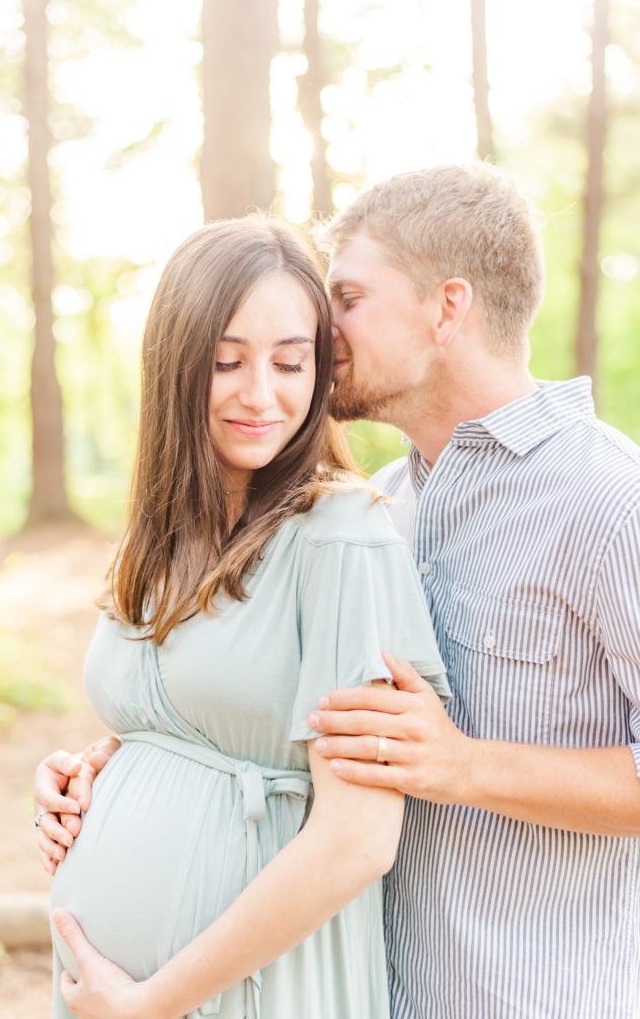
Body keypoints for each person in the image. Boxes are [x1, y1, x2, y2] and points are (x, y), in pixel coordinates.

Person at [35, 164, 640, 1017]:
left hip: (523, 992)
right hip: (364, 978)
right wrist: (127, 768)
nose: (325, 328)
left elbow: (366, 824)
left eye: (347, 297)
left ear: (448, 307)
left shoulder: (609, 500)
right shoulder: (398, 498)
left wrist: (463, 764)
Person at [36, 213, 449, 1019]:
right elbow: (182, 723)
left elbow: (358, 840)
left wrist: (155, 1000)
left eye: (292, 362)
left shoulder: (340, 540)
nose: (262, 394)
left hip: (254, 992)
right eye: (227, 361)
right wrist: (87, 777)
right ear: (176, 364)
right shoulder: (157, 536)